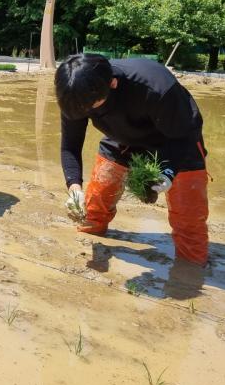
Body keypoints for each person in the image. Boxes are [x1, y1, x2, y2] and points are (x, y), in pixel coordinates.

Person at [55, 54, 209, 266]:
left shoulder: (157, 87)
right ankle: (88, 239)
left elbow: (185, 136)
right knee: (92, 210)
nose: (87, 112)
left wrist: (169, 172)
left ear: (113, 83)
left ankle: (191, 268)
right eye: (82, 110)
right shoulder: (75, 97)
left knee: (189, 220)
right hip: (123, 138)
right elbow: (70, 146)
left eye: (93, 106)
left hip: (177, 138)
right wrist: (74, 188)